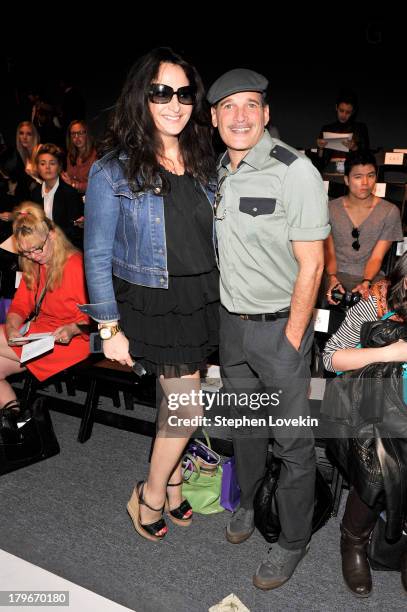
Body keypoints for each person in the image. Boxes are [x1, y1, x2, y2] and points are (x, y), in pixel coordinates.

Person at [80, 47, 218, 542]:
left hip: (199, 299)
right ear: (142, 96)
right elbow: (95, 254)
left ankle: (177, 484)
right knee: (189, 409)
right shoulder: (112, 168)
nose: (174, 103)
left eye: (183, 93)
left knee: (175, 401)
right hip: (152, 301)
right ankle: (149, 495)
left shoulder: (204, 160)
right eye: (161, 92)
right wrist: (109, 327)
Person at [207, 69, 329, 589]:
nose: (240, 116)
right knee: (247, 429)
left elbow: (314, 265)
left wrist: (293, 340)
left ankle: (293, 539)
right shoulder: (221, 170)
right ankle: (250, 505)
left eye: (250, 105)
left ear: (267, 113)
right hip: (231, 327)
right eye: (228, 106)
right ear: (213, 118)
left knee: (293, 443)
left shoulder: (293, 170)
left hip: (281, 330)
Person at [323, 253, 407, 597]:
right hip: (376, 411)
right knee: (377, 468)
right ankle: (353, 540)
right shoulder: (377, 301)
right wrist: (389, 353)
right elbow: (331, 357)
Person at [0, 202, 90, 418]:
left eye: (37, 248)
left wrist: (72, 329)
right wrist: (12, 327)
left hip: (74, 339)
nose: (33, 256)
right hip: (43, 333)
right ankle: (18, 422)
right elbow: (20, 305)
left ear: (52, 236)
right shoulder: (33, 264)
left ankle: (17, 422)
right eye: (26, 252)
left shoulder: (76, 266)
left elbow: (96, 319)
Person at [325, 150, 403, 304]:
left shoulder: (389, 211)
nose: (365, 183)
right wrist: (332, 279)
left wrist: (366, 281)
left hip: (372, 276)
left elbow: (377, 257)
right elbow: (329, 253)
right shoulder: (330, 209)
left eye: (371, 175)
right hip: (333, 273)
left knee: (376, 303)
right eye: (358, 177)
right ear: (347, 180)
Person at [31, 143, 84, 248]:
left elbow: (76, 230)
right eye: (42, 163)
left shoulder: (70, 193)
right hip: (41, 244)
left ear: (59, 167)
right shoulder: (35, 193)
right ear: (37, 167)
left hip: (65, 245)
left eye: (52, 163)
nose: (47, 167)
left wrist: (51, 236)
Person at [317, 90, 370, 171]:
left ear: (353, 112)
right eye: (341, 111)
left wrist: (355, 148)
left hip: (352, 169)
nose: (344, 115)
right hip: (329, 169)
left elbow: (367, 156)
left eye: (348, 112)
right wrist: (320, 148)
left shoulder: (360, 128)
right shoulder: (327, 129)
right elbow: (320, 161)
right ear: (336, 108)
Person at [61, 120, 97, 194]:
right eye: (73, 134)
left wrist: (74, 184)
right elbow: (70, 179)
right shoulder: (70, 155)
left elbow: (96, 185)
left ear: (87, 134)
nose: (76, 137)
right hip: (74, 196)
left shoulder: (96, 155)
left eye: (80, 133)